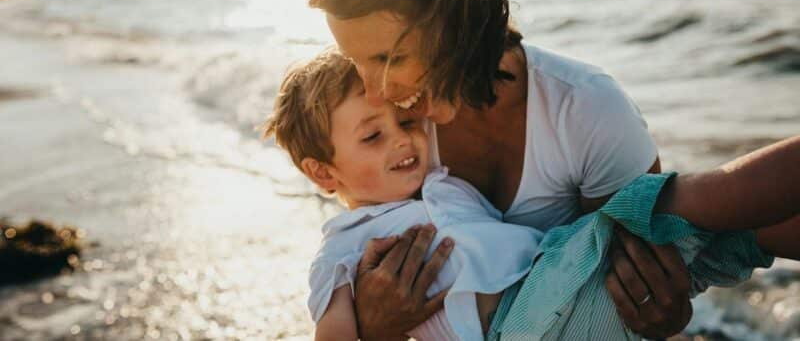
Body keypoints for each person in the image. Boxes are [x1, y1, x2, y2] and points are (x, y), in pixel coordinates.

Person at [308, 0, 690, 339]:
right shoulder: (392, 132)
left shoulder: (586, 111)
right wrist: (374, 327)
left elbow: (637, 288)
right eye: (355, 61)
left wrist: (669, 313)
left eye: (391, 59)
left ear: (458, 21)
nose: (375, 90)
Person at [261, 49, 800, 341]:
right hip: (523, 323)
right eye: (373, 136)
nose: (403, 138)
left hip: (571, 292)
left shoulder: (444, 182)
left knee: (737, 234)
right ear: (322, 173)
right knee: (692, 202)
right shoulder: (342, 249)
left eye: (405, 119)